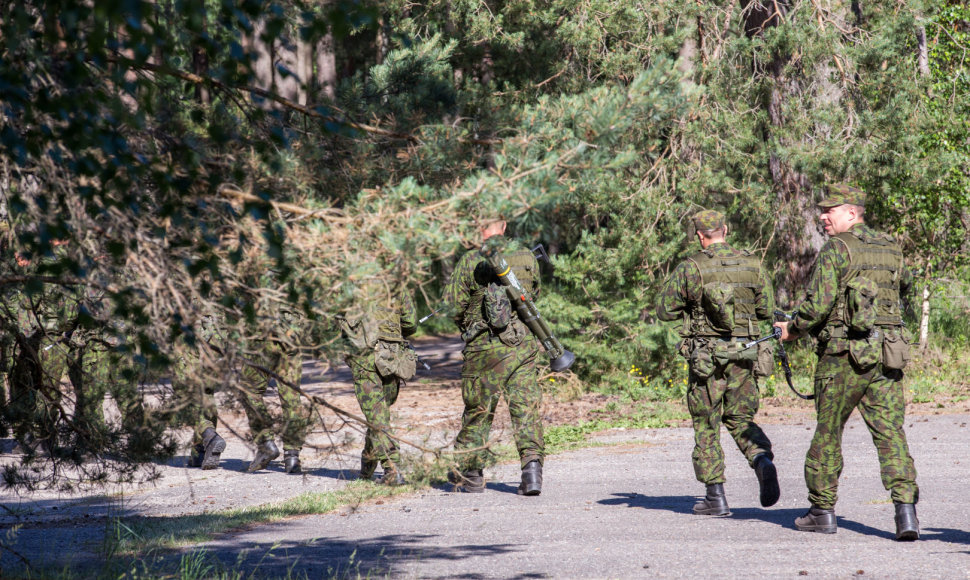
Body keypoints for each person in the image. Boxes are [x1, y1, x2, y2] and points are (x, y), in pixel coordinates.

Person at [774, 184, 919, 540]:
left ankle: (822, 511)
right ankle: (906, 514)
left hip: (844, 357)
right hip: (887, 355)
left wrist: (791, 329)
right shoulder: (891, 247)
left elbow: (816, 306)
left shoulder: (838, 248)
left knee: (828, 432)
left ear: (851, 214)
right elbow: (906, 290)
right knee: (890, 434)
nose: (822, 217)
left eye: (830, 211)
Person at [657, 209, 779, 515]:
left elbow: (665, 310)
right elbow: (766, 310)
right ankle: (761, 458)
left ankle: (715, 496)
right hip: (745, 352)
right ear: (726, 229)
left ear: (699, 236)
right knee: (739, 418)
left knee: (706, 421)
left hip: (706, 358)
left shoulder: (691, 267)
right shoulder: (753, 264)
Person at [445, 219, 545, 495]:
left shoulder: (470, 260)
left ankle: (472, 474)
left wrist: (468, 328)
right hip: (522, 345)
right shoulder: (526, 256)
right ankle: (532, 472)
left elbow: (453, 307)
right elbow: (533, 296)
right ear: (503, 224)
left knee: (478, 410)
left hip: (484, 349)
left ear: (479, 226)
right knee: (525, 408)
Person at [339, 280, 417, 486]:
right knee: (378, 414)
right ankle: (368, 466)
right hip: (391, 356)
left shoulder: (350, 280)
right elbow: (410, 322)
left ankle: (393, 468)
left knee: (377, 415)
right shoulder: (396, 282)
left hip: (364, 356)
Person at [238, 335, 310, 474]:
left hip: (263, 336)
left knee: (249, 389)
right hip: (290, 334)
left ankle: (266, 443)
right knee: (291, 395)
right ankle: (292, 455)